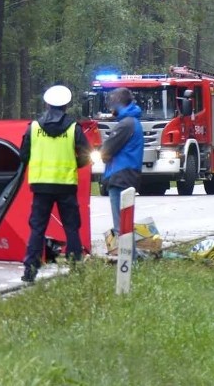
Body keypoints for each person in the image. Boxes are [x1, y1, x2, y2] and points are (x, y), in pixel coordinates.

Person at [19, 85, 92, 282]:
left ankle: (30, 271)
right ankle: (76, 267)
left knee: (37, 228)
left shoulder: (33, 128)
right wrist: (73, 165)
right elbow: (87, 155)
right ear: (67, 105)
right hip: (66, 185)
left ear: (46, 103)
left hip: (41, 185)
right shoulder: (73, 128)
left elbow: (23, 155)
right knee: (71, 227)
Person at [100, 88, 144, 237]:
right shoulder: (133, 121)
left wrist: (103, 154)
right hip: (129, 174)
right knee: (126, 220)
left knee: (120, 225)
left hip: (120, 175)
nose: (110, 107)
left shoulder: (125, 124)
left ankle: (125, 254)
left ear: (119, 102)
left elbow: (106, 150)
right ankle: (130, 253)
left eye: (112, 102)